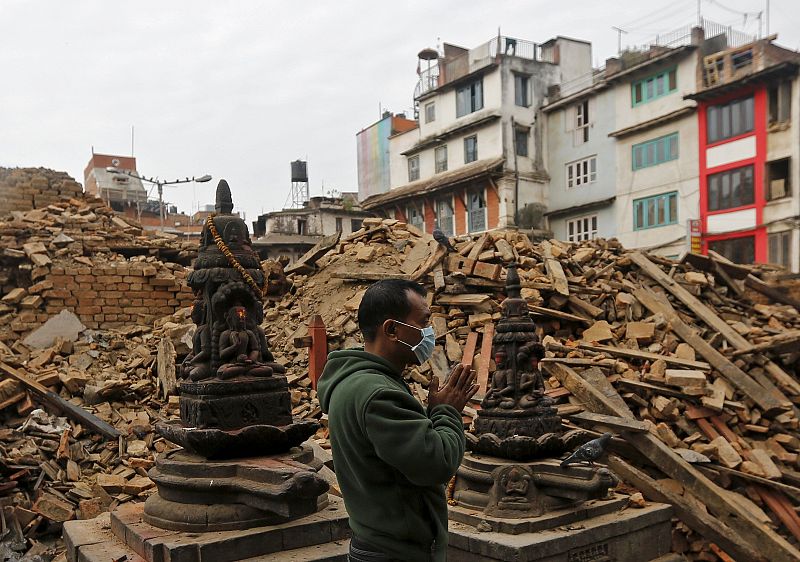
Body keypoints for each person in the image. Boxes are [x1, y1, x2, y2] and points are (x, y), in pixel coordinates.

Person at [318, 279, 478, 562]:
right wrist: (447, 411)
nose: (430, 333)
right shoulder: (379, 394)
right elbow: (436, 464)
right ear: (392, 329)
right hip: (395, 552)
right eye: (424, 322)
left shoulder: (356, 380)